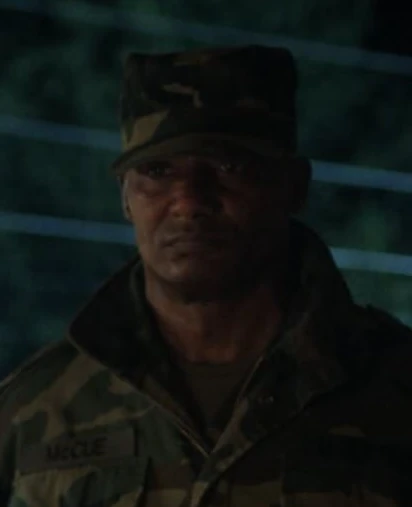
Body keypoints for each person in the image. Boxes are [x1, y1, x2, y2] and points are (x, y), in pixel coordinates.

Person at [1, 45, 412, 507]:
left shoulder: (394, 388)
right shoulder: (37, 407)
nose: (188, 201)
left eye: (228, 166)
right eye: (157, 170)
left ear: (293, 185)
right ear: (126, 197)